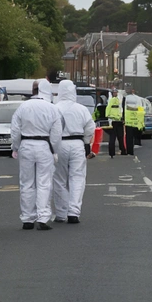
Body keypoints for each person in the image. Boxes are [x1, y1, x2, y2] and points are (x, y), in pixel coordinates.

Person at [10, 78, 62, 231]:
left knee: (27, 183)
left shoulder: (23, 107)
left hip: (26, 144)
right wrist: (54, 150)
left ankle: (27, 218)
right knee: (44, 182)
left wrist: (16, 147)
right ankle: (43, 217)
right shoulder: (52, 108)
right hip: (44, 145)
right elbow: (56, 133)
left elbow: (15, 130)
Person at [53, 80, 96, 224]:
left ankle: (61, 213)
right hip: (77, 143)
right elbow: (90, 127)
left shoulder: (54, 108)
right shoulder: (81, 109)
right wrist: (86, 143)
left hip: (60, 144)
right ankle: (73, 212)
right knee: (77, 178)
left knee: (59, 179)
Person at [105, 87, 126, 158]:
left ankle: (113, 152)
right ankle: (121, 151)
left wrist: (107, 117)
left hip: (115, 120)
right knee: (118, 137)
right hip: (116, 120)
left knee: (115, 137)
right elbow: (120, 108)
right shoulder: (117, 100)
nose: (115, 93)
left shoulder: (112, 100)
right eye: (114, 92)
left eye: (115, 92)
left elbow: (108, 109)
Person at [124, 87, 143, 155]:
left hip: (128, 120)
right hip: (135, 120)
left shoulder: (125, 98)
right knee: (135, 135)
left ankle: (129, 151)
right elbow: (140, 108)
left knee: (129, 136)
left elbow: (123, 109)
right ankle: (135, 145)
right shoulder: (138, 98)